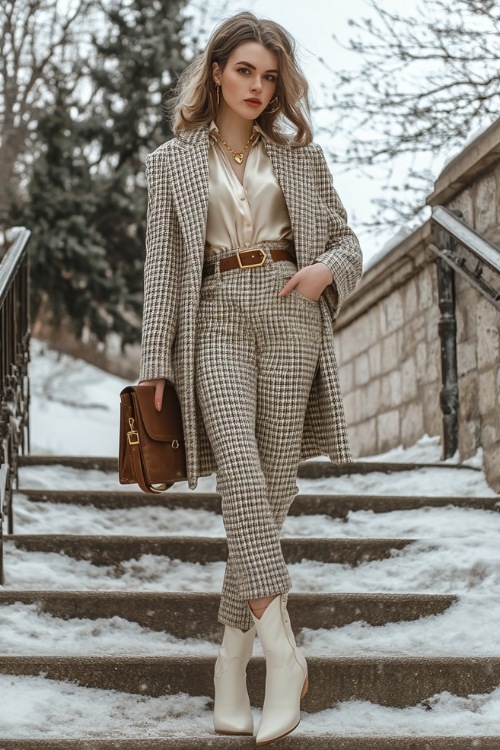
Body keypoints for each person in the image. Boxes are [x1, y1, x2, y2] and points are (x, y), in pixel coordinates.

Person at [138, 11, 362, 746]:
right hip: (215, 319)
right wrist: (154, 365)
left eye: (269, 76)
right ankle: (284, 654)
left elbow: (346, 240)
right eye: (245, 71)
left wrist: (325, 270)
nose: (257, 86)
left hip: (290, 310)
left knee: (271, 486)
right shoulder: (171, 162)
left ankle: (231, 660)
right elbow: (164, 272)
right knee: (239, 467)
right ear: (215, 71)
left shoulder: (302, 159)